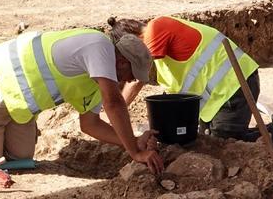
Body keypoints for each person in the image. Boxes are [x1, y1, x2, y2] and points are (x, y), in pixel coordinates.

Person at [0, 28, 165, 186]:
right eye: (131, 73)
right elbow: (114, 103)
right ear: (121, 61)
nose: (131, 81)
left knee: (20, 158)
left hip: (17, 107)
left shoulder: (95, 81)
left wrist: (132, 140)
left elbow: (89, 124)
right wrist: (134, 151)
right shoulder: (99, 46)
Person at [109, 15, 261, 142]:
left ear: (133, 39)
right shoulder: (161, 58)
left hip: (234, 86)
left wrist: (117, 111)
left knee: (226, 146)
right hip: (217, 98)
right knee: (209, 143)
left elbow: (137, 80)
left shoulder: (157, 28)